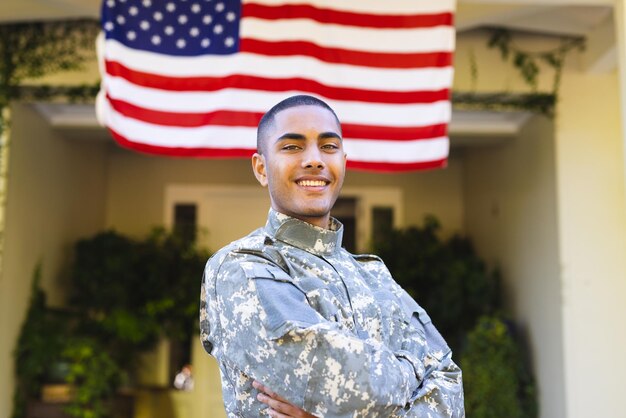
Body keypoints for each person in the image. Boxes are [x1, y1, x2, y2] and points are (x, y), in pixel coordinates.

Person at [199, 95, 464, 417]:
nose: (314, 160)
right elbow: (341, 385)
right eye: (292, 147)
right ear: (261, 168)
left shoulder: (374, 275)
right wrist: (414, 370)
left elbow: (449, 384)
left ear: (343, 161)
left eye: (328, 146)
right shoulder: (242, 266)